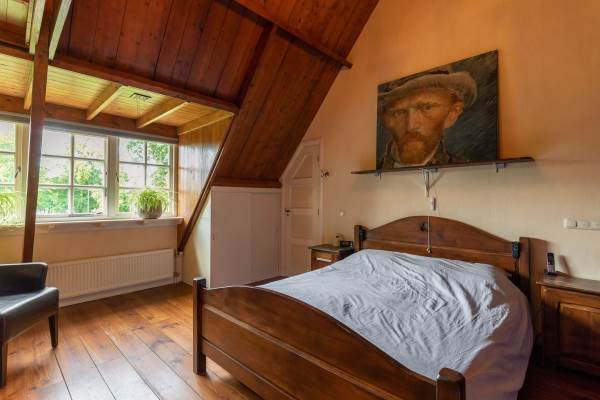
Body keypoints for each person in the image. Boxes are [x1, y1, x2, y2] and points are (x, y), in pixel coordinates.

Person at [378, 70, 477, 168]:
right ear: (386, 118)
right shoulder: (377, 169)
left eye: (426, 108)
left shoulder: (466, 171)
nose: (411, 126)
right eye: (398, 112)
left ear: (452, 113)